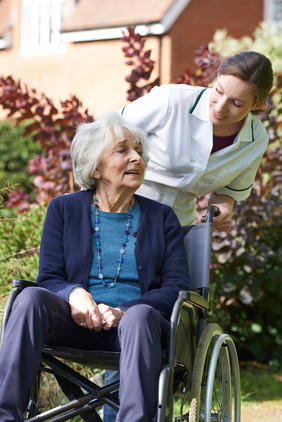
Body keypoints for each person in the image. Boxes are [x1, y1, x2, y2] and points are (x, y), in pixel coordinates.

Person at [0, 111, 190, 422]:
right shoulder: (63, 209)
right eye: (122, 150)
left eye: (139, 151)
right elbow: (48, 277)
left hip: (136, 330)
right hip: (75, 324)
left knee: (139, 316)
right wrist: (75, 294)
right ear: (96, 166)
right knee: (29, 299)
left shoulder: (162, 217)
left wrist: (124, 311)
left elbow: (175, 288)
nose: (136, 158)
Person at [120, 50, 273, 232]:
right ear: (217, 77)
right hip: (124, 213)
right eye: (219, 90)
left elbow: (226, 193)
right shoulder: (173, 100)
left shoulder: (256, 139)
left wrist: (223, 208)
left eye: (236, 103)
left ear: (256, 105)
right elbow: (106, 135)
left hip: (178, 226)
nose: (220, 106)